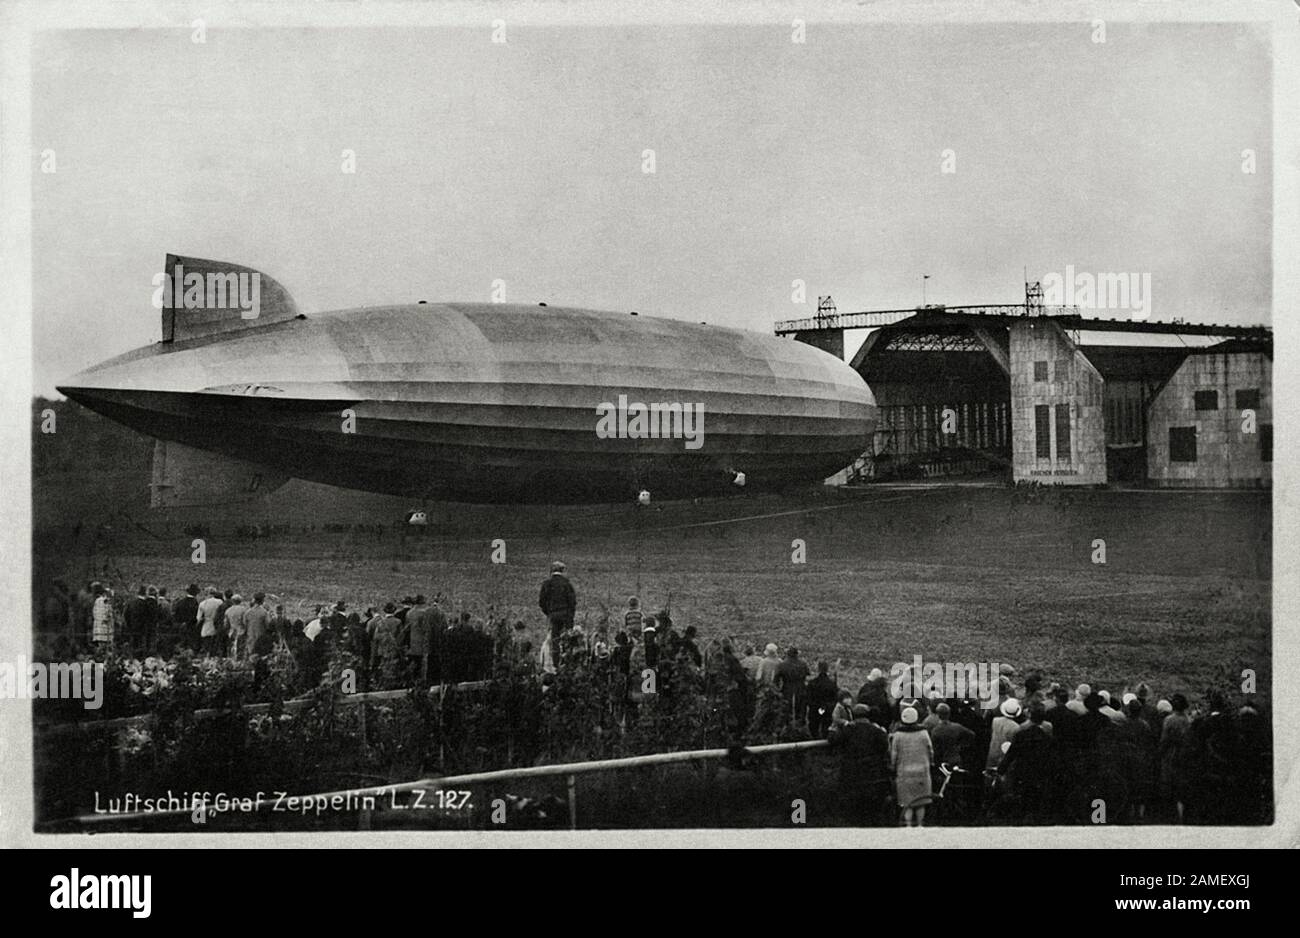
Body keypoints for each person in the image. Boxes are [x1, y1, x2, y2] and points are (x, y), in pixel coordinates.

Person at [828, 704, 891, 825]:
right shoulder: (877, 731)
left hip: (852, 777)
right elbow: (884, 747)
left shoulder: (848, 730)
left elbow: (833, 740)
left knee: (854, 816)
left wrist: (833, 727)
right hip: (873, 777)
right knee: (873, 815)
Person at [890, 706, 934, 827]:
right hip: (922, 772)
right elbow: (930, 750)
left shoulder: (898, 735)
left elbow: (894, 754)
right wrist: (931, 763)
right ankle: (920, 824)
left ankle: (908, 825)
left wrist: (893, 767)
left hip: (904, 773)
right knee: (921, 801)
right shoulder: (924, 733)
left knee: (906, 803)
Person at [538, 560, 576, 652]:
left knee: (554, 639)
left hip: (553, 615)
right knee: (567, 639)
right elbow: (572, 602)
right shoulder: (567, 584)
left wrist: (548, 612)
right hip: (566, 615)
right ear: (562, 571)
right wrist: (570, 615)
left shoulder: (547, 584)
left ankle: (555, 661)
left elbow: (542, 602)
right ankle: (566, 659)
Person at [929, 702, 976, 769]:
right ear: (949, 714)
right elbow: (972, 735)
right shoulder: (957, 727)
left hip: (942, 762)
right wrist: (961, 745)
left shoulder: (935, 731)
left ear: (938, 715)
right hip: (956, 758)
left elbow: (934, 749)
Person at [775, 646, 811, 727]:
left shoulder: (782, 665)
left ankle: (788, 727)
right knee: (801, 710)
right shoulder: (803, 664)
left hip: (787, 689)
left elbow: (776, 679)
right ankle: (801, 727)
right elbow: (808, 674)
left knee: (787, 710)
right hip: (800, 689)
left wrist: (778, 690)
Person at [986, 697, 1022, 770]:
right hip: (1005, 756)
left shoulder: (995, 720)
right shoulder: (1016, 727)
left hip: (993, 751)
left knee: (989, 774)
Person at [807, 661, 839, 738]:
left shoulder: (812, 683)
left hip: (815, 709)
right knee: (826, 727)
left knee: (814, 727)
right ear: (827, 669)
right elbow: (835, 698)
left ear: (818, 669)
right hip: (827, 710)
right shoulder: (831, 684)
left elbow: (808, 698)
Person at [172, 584, 200, 652]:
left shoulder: (180, 602)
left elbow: (176, 614)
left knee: (182, 644)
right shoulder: (195, 603)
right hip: (191, 627)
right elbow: (195, 616)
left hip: (181, 626)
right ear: (196, 593)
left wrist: (181, 623)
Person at [197, 587, 223, 656]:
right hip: (216, 627)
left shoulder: (202, 604)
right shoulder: (220, 602)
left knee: (207, 647)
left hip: (206, 626)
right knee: (215, 647)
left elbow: (198, 618)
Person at [225, 594, 249, 660]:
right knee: (241, 648)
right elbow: (245, 622)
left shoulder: (228, 610)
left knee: (232, 648)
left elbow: (226, 624)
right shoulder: (244, 610)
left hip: (232, 632)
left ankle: (232, 661)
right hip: (241, 631)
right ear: (240, 601)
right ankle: (239, 661)